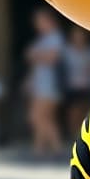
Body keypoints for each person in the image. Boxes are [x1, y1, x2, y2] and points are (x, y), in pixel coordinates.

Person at [25, 8, 65, 157]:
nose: (38, 24)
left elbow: (52, 59)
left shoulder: (55, 37)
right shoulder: (43, 39)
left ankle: (55, 148)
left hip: (50, 84)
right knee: (45, 117)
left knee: (36, 116)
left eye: (40, 21)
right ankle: (39, 149)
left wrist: (34, 54)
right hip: (41, 83)